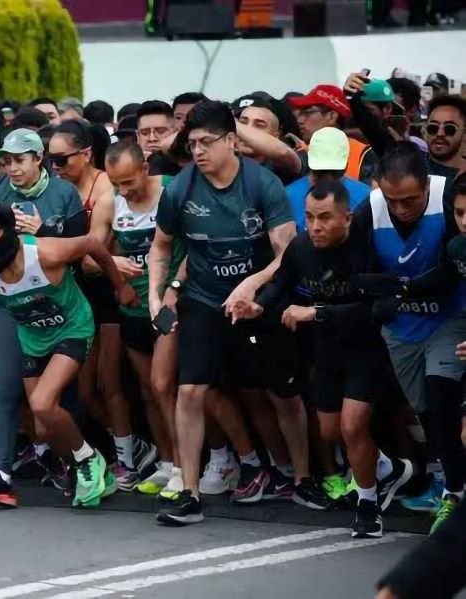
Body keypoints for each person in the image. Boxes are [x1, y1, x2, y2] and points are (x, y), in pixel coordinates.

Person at [149, 101, 310, 524]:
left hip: (260, 299)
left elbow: (287, 253)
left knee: (284, 393)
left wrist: (253, 286)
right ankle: (189, 492)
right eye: (193, 143)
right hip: (203, 298)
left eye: (207, 142)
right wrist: (157, 295)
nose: (198, 151)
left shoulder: (262, 184)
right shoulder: (180, 189)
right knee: (191, 390)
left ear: (232, 142)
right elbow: (161, 249)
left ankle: (304, 478)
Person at [0, 200, 139, 508]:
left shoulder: (45, 253)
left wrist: (119, 286)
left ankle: (89, 460)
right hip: (34, 340)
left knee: (42, 403)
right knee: (44, 428)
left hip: (73, 328)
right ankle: (94, 471)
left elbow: (92, 244)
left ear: (9, 232)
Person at [235, 180, 409, 536]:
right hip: (327, 352)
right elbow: (280, 284)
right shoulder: (301, 247)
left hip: (366, 349)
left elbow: (375, 310)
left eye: (326, 218)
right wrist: (258, 306)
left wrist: (316, 313)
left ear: (347, 218)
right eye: (310, 217)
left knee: (352, 427)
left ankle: (368, 506)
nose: (316, 226)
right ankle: (385, 467)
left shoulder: (368, 250)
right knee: (331, 432)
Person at [354, 142, 464, 533]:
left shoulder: (449, 196)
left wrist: (399, 289)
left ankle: (454, 492)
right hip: (400, 327)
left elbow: (452, 270)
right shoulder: (369, 208)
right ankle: (443, 476)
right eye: (393, 199)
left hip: (449, 317)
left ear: (427, 185)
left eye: (410, 200)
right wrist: (386, 294)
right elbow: (359, 272)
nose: (401, 209)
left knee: (442, 393)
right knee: (426, 411)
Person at [0, 128, 88, 506]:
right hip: (10, 302)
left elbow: (81, 249)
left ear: (39, 158)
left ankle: (81, 467)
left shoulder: (63, 193)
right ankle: (2, 474)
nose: (12, 168)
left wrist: (43, 232)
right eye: (6, 161)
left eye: (20, 160)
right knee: (5, 387)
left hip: (60, 302)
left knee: (60, 398)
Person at [49, 122, 156, 488]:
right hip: (78, 295)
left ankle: (126, 458)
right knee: (85, 390)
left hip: (113, 295)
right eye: (51, 160)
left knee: (110, 382)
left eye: (61, 159)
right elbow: (82, 255)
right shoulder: (58, 190)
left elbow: (102, 249)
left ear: (85, 153)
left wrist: (114, 264)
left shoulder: (109, 185)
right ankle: (133, 447)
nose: (55, 167)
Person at [96, 140, 181, 492]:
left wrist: (173, 288)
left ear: (145, 168)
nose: (123, 190)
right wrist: (112, 265)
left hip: (167, 306)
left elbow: (194, 245)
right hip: (131, 306)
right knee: (147, 390)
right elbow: (89, 254)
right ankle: (164, 461)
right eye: (116, 183)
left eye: (129, 182)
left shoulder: (172, 191)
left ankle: (183, 465)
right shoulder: (109, 203)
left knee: (164, 386)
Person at [285, 127, 371, 232]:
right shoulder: (287, 197)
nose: (327, 179)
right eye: (320, 172)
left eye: (334, 172)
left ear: (346, 164)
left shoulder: (366, 198)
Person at [289, 85, 378, 185]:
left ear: (331, 116)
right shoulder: (298, 155)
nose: (299, 120)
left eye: (307, 112)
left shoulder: (364, 155)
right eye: (299, 114)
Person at [424, 96, 466, 182]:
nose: (440, 134)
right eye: (433, 127)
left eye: (449, 129)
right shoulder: (412, 169)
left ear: (464, 133)